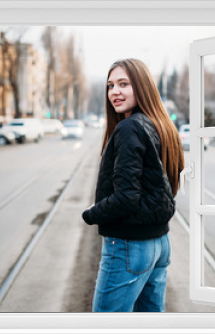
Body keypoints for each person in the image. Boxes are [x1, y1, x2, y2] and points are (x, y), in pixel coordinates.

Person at [82, 58, 184, 312]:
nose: (114, 92)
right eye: (110, 85)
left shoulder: (130, 128)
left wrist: (91, 213)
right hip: (159, 243)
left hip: (129, 245)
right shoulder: (161, 125)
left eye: (123, 84)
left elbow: (126, 197)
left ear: (142, 87)